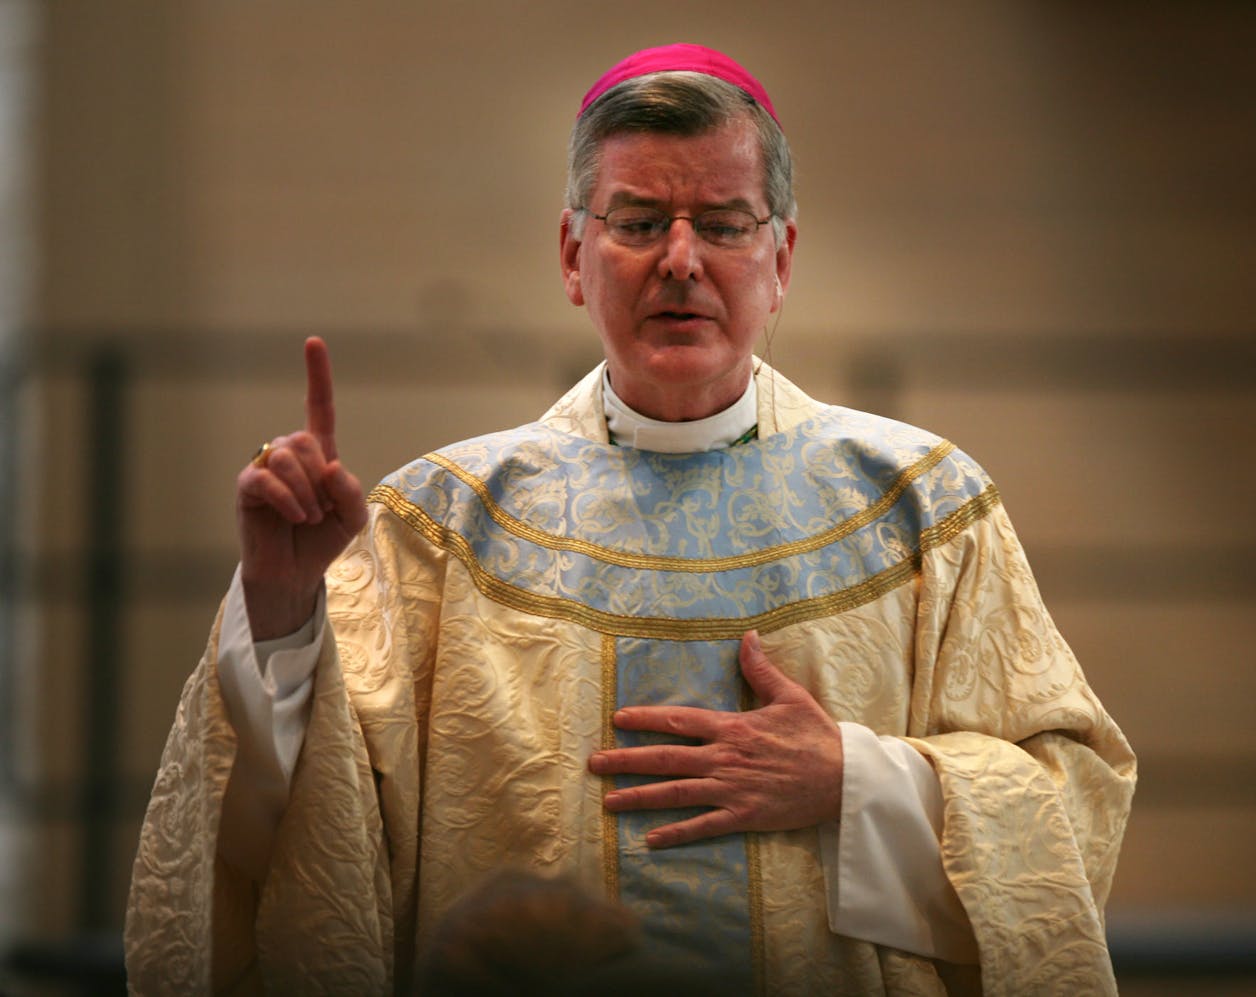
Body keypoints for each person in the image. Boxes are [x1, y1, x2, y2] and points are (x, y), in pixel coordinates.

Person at [125, 44, 1135, 996]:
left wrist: (851, 780)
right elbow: (307, 826)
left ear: (781, 255)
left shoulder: (919, 505)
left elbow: (1069, 806)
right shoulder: (439, 528)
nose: (681, 260)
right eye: (639, 221)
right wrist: (284, 602)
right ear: (573, 254)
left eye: (724, 222)